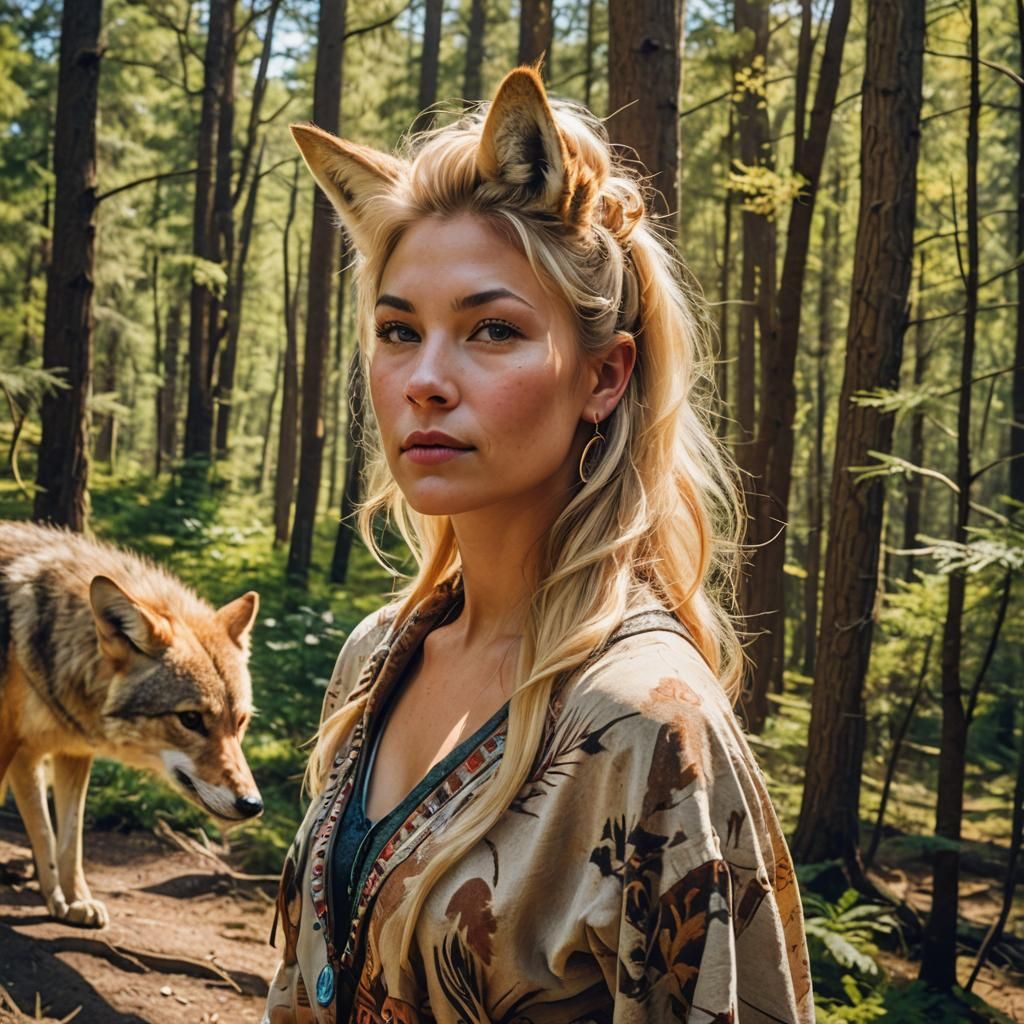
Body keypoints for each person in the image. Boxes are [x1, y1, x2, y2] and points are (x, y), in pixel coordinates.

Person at [263, 66, 812, 1024]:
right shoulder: (376, 657)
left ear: (603, 376)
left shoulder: (645, 723)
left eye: (492, 330)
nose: (426, 380)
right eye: (399, 330)